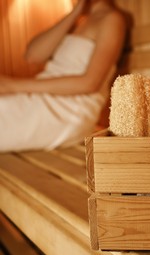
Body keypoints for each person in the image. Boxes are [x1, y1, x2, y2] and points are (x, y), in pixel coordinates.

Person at [0, 0, 126, 152]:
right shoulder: (77, 20)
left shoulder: (111, 19)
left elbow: (89, 83)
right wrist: (75, 12)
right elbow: (33, 55)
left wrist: (13, 86)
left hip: (69, 109)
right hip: (43, 97)